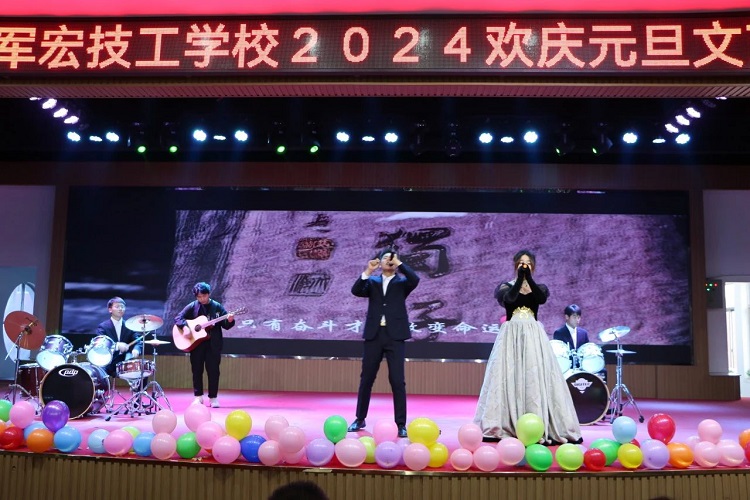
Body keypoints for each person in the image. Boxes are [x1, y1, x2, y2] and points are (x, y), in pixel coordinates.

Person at [474, 250, 582, 445]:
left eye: (528, 263)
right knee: (507, 374)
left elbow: (540, 299)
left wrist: (528, 279)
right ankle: (505, 423)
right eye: (521, 263)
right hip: (511, 334)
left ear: (533, 266)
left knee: (534, 375)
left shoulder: (539, 287)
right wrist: (519, 280)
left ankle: (537, 424)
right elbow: (509, 299)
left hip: (533, 334)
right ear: (515, 265)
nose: (525, 265)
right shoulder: (505, 287)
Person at [348, 248, 420, 438]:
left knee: (397, 381)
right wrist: (368, 271)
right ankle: (360, 418)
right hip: (374, 335)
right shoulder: (372, 281)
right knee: (367, 379)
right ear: (379, 262)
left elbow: (415, 279)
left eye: (392, 258)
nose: (389, 260)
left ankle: (401, 423)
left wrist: (400, 264)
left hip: (395, 336)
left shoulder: (402, 282)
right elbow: (356, 290)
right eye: (385, 258)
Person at [174, 281, 235, 408]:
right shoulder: (193, 306)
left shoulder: (217, 307)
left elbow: (225, 325)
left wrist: (230, 320)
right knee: (197, 370)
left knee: (213, 371)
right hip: (196, 344)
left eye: (204, 296)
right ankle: (198, 397)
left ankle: (213, 398)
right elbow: (178, 317)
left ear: (209, 294)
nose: (202, 299)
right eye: (199, 297)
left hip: (213, 344)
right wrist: (185, 327)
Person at [553, 304, 607, 381]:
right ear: (567, 317)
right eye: (574, 317)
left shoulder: (583, 333)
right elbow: (558, 354)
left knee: (602, 371)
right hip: (567, 368)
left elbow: (586, 350)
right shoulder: (559, 333)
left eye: (579, 317)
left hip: (581, 367)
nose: (577, 320)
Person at [95, 297, 143, 378]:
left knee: (142, 371)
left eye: (122, 307)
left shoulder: (129, 326)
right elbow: (100, 345)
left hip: (124, 362)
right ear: (110, 309)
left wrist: (136, 349)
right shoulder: (103, 327)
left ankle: (138, 387)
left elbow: (138, 341)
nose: (120, 309)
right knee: (98, 372)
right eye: (117, 307)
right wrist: (117, 345)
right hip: (107, 362)